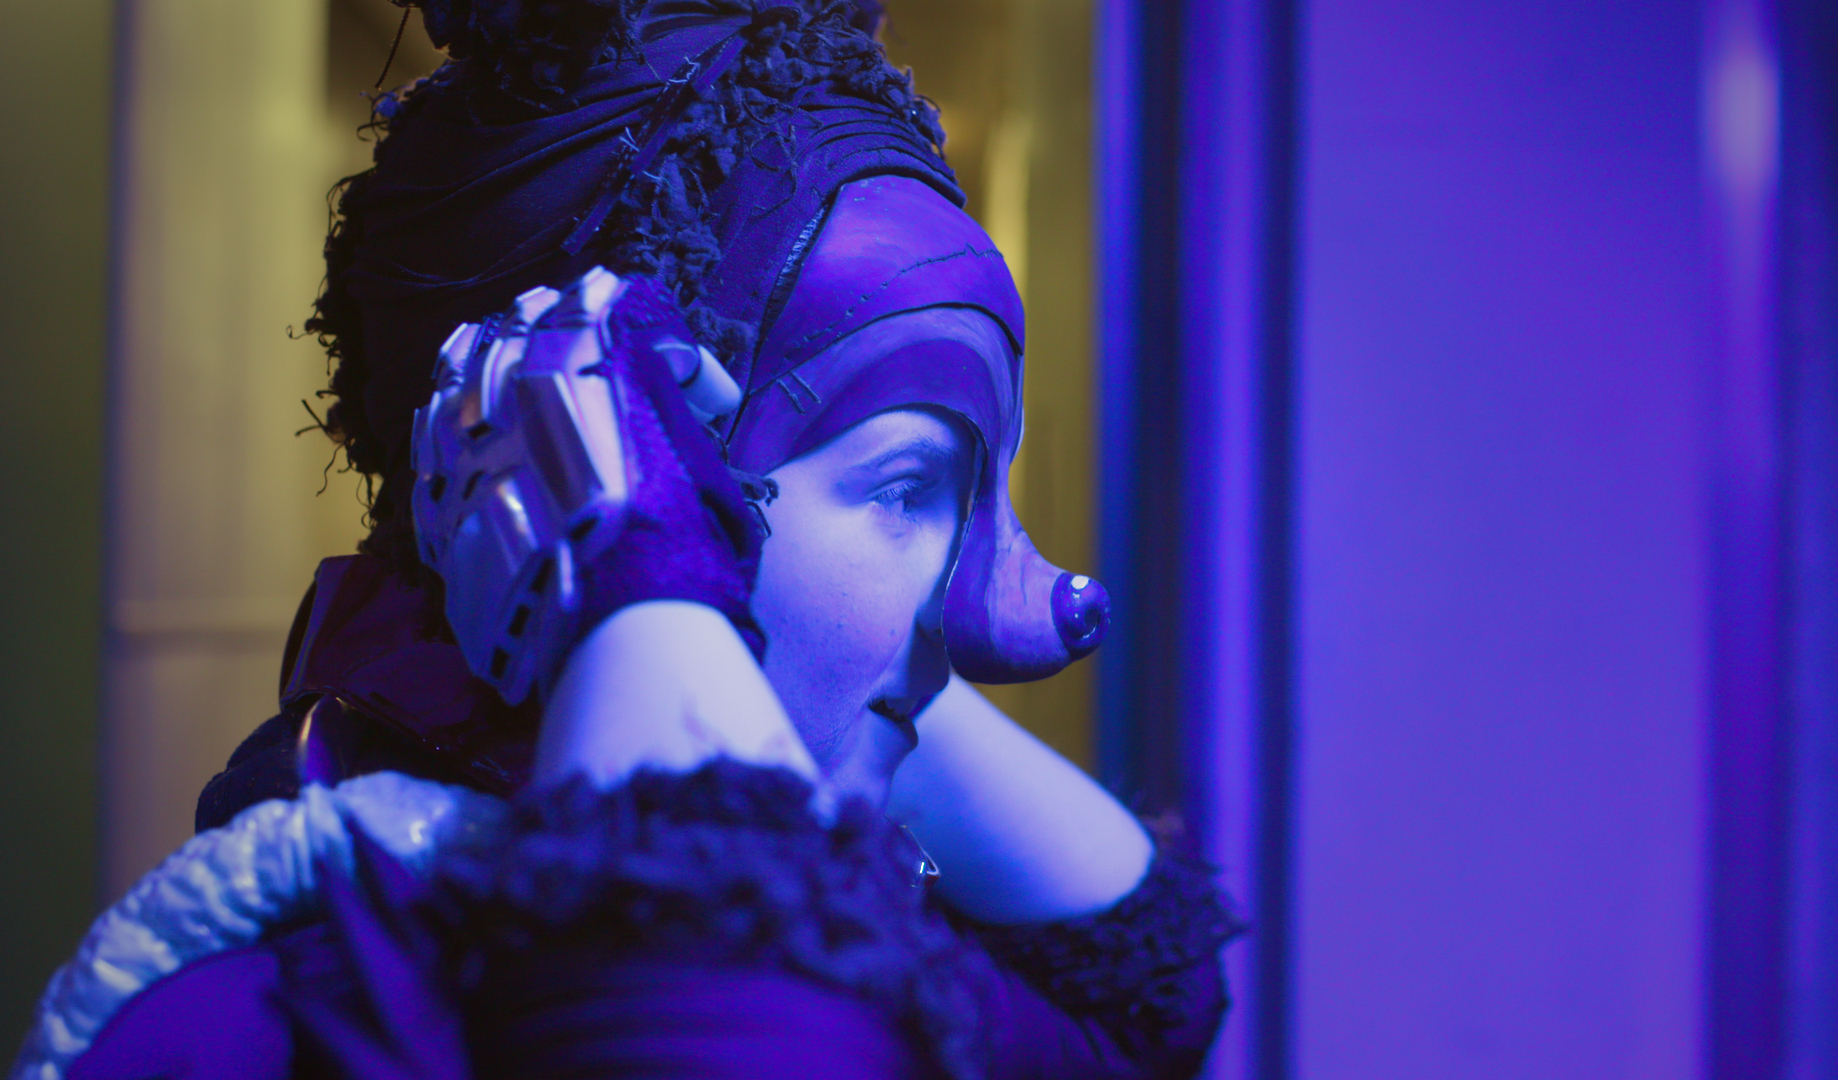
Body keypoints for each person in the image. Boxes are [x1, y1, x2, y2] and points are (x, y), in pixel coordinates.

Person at [13, 3, 1237, 1078]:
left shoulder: (851, 936)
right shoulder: (245, 1028)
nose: (983, 617)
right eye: (906, 489)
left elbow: (1144, 1007)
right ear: (646, 477)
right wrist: (642, 568)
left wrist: (826, 684)